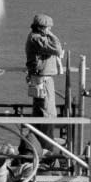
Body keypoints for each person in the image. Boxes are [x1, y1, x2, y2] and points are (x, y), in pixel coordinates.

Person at [24, 14, 64, 151]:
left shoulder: (36, 37)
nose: (50, 29)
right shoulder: (36, 38)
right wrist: (51, 34)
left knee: (39, 113)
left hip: (40, 79)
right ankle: (47, 146)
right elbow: (58, 49)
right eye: (48, 27)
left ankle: (36, 143)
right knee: (48, 114)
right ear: (42, 28)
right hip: (43, 80)